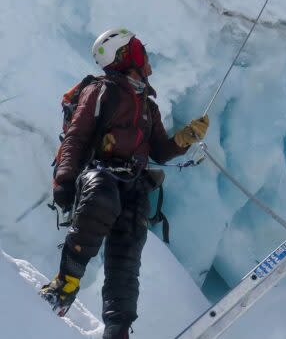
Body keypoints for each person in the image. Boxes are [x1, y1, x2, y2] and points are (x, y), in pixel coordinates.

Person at [40, 28, 210, 339]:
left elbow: (159, 150)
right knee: (102, 199)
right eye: (138, 50)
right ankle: (65, 283)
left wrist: (185, 138)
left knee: (128, 252)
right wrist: (64, 180)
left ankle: (118, 328)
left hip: (133, 182)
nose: (147, 59)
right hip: (100, 174)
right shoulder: (101, 92)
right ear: (124, 56)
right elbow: (76, 137)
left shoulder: (148, 105)